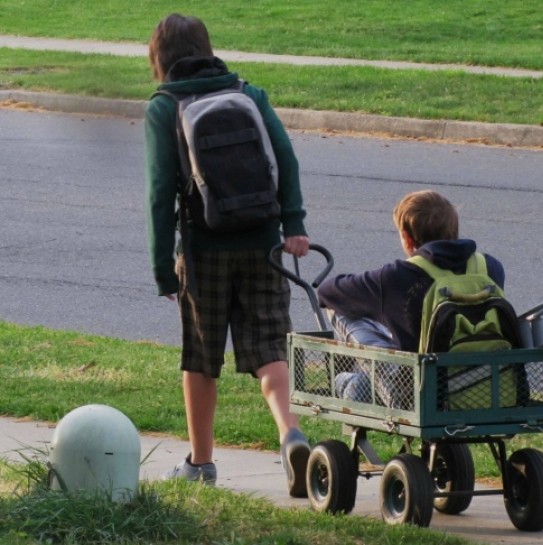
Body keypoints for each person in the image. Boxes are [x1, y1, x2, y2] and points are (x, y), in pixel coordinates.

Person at [144, 13, 310, 497]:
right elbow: (286, 158)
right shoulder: (248, 92)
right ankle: (291, 434)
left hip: (203, 249)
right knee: (269, 349)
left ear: (159, 57)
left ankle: (201, 462)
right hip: (264, 242)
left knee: (201, 357)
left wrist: (163, 270)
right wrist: (293, 224)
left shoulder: (164, 108)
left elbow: (160, 194)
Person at [317, 190, 506, 407]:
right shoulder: (490, 268)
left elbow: (326, 291)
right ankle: (363, 382)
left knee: (340, 308)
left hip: (418, 397)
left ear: (407, 237)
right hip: (489, 386)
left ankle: (352, 383)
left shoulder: (397, 276)